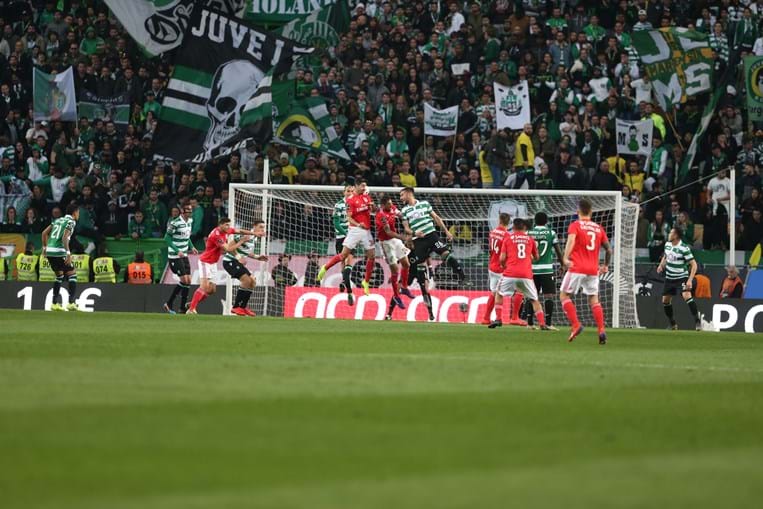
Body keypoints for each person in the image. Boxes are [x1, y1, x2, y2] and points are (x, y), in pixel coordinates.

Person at [400, 186, 467, 321]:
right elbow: (406, 228)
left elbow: (436, 218)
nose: (401, 198)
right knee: (422, 279)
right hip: (418, 241)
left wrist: (447, 231)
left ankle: (462, 277)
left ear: (408, 193)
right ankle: (430, 311)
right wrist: (414, 233)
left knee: (445, 254)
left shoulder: (425, 204)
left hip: (432, 236)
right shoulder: (404, 210)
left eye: (402, 195)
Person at [560, 198, 613, 344]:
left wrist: (565, 258)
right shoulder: (598, 228)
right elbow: (609, 249)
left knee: (564, 295)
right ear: (591, 212)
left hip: (577, 267)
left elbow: (571, 241)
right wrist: (606, 265)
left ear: (578, 211)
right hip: (592, 269)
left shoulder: (575, 225)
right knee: (593, 299)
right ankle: (601, 330)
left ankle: (576, 325)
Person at [186, 217, 258, 314]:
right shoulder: (216, 235)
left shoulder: (226, 231)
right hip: (205, 262)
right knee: (204, 286)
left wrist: (253, 233)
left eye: (229, 225)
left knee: (211, 290)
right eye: (226, 225)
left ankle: (192, 303)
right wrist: (241, 241)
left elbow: (239, 230)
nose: (229, 227)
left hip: (213, 263)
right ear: (220, 225)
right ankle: (191, 309)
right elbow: (228, 249)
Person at [317, 179, 376, 295]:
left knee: (372, 256)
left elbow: (371, 210)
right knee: (343, 256)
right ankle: (325, 268)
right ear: (356, 187)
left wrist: (372, 207)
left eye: (365, 186)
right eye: (362, 186)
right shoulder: (350, 201)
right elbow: (348, 218)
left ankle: (366, 282)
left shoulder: (366, 197)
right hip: (354, 230)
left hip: (366, 231)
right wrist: (358, 224)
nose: (364, 188)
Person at [489, 218, 550, 330]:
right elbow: (536, 257)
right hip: (526, 274)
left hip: (510, 273)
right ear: (524, 227)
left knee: (499, 293)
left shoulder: (508, 239)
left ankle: (498, 318)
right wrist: (529, 259)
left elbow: (502, 258)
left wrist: (504, 265)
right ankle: (542, 324)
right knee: (534, 299)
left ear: (514, 227)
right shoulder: (530, 239)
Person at [376, 194, 414, 318]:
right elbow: (388, 232)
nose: (391, 205)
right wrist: (403, 237)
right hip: (386, 243)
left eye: (391, 203)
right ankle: (396, 296)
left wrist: (406, 228)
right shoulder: (381, 215)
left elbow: (401, 215)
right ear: (383, 205)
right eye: (388, 204)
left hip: (395, 240)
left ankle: (404, 287)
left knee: (406, 264)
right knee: (395, 270)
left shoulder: (392, 207)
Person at [657, 227, 701, 331]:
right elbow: (666, 256)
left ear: (676, 235)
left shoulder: (684, 248)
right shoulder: (667, 245)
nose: (669, 234)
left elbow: (694, 265)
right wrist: (661, 265)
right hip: (669, 278)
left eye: (671, 232)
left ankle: (697, 322)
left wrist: (690, 280)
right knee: (665, 300)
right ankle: (673, 324)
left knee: (686, 295)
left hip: (681, 277)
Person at [525, 212, 564, 330]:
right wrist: (562, 265)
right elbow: (558, 250)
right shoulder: (551, 233)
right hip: (546, 269)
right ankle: (548, 323)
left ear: (535, 221)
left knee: (531, 296)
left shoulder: (528, 233)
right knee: (548, 296)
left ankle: (530, 324)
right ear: (546, 221)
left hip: (531, 270)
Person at [222, 220, 268, 316]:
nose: (262, 229)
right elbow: (229, 247)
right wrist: (239, 257)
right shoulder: (246, 235)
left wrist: (257, 257)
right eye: (260, 227)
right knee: (246, 281)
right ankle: (235, 307)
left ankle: (242, 307)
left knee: (253, 281)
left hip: (236, 262)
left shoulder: (254, 238)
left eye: (263, 227)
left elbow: (246, 252)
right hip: (229, 261)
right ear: (254, 227)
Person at [41, 203, 80, 311]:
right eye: (78, 212)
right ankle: (71, 303)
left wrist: (44, 248)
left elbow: (44, 233)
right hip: (59, 251)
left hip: (50, 251)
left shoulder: (57, 220)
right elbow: (65, 237)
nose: (78, 215)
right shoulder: (71, 221)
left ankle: (54, 304)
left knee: (59, 275)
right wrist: (68, 253)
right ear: (74, 212)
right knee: (72, 274)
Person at [163, 204, 197, 313]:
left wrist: (192, 247)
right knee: (184, 280)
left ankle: (182, 308)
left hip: (184, 255)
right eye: (188, 211)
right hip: (174, 255)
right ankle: (169, 303)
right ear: (182, 211)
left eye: (191, 211)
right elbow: (167, 238)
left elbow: (187, 237)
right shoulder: (175, 223)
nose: (190, 213)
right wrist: (177, 251)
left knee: (188, 280)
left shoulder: (190, 221)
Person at [482, 212, 511, 325]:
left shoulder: (492, 232)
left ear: (499, 220)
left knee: (493, 292)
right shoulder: (507, 235)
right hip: (501, 268)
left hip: (492, 266)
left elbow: (490, 249)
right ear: (509, 222)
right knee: (502, 293)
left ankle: (485, 317)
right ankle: (503, 318)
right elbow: (507, 253)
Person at [326, 184, 354, 298]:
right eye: (348, 191)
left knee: (347, 261)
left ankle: (344, 281)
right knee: (345, 261)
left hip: (351, 235)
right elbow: (336, 223)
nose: (350, 193)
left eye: (352, 191)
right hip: (342, 237)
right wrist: (346, 233)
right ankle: (345, 282)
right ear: (344, 192)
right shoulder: (338, 205)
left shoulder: (354, 205)